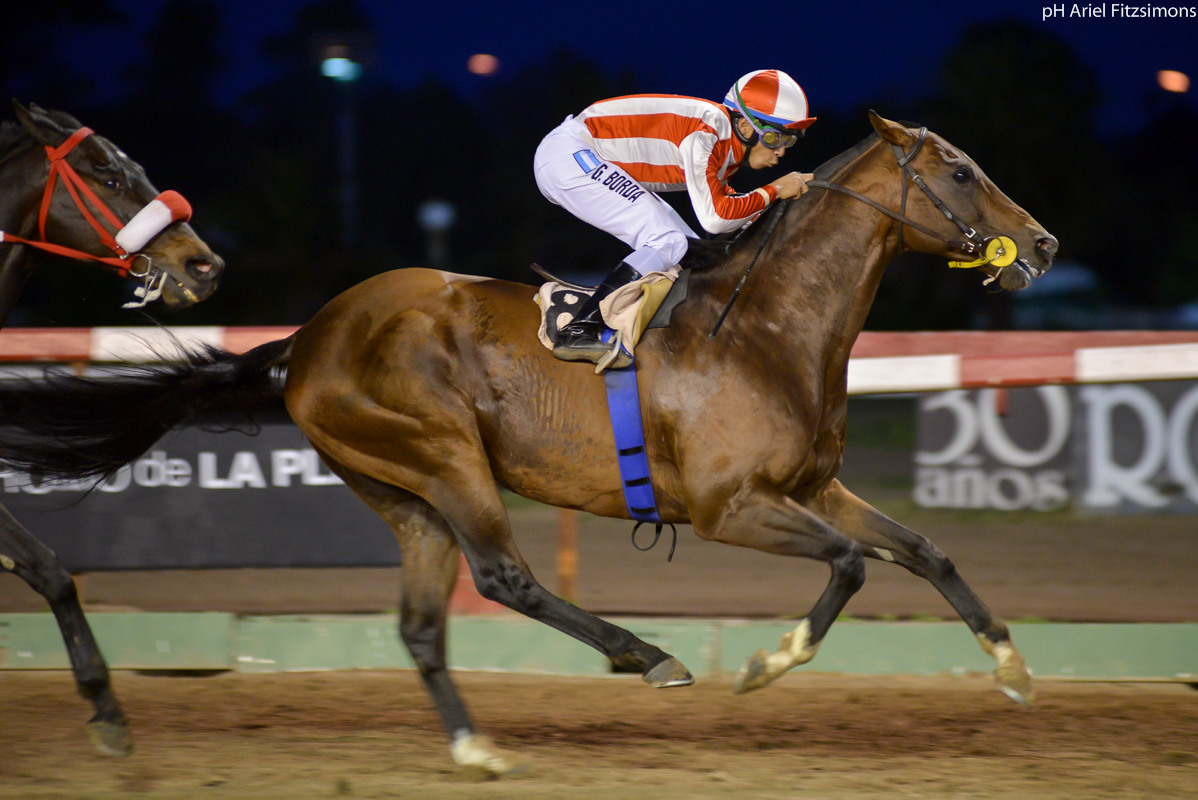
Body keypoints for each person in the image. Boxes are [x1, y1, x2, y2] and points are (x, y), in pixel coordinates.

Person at [534, 69, 816, 368]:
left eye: (789, 141)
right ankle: (580, 329)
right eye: (774, 137)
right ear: (745, 127)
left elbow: (730, 210)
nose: (781, 151)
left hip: (579, 156)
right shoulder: (706, 134)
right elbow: (716, 219)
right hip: (569, 154)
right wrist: (775, 190)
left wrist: (779, 204)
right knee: (668, 242)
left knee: (692, 251)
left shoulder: (727, 146)